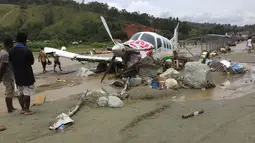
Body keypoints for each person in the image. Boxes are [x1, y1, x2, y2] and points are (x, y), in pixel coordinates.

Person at [9, 32, 35, 115]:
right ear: (25, 40)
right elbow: (31, 62)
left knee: (20, 92)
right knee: (27, 92)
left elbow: (10, 62)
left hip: (16, 74)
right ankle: (27, 109)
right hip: (27, 74)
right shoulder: (26, 50)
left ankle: (23, 108)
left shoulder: (11, 50)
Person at [0, 38, 16, 113]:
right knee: (9, 92)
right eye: (12, 43)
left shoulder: (3, 52)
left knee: (11, 91)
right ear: (9, 44)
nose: (13, 45)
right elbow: (3, 66)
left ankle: (11, 107)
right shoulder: (5, 54)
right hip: (7, 75)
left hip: (8, 75)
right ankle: (9, 109)